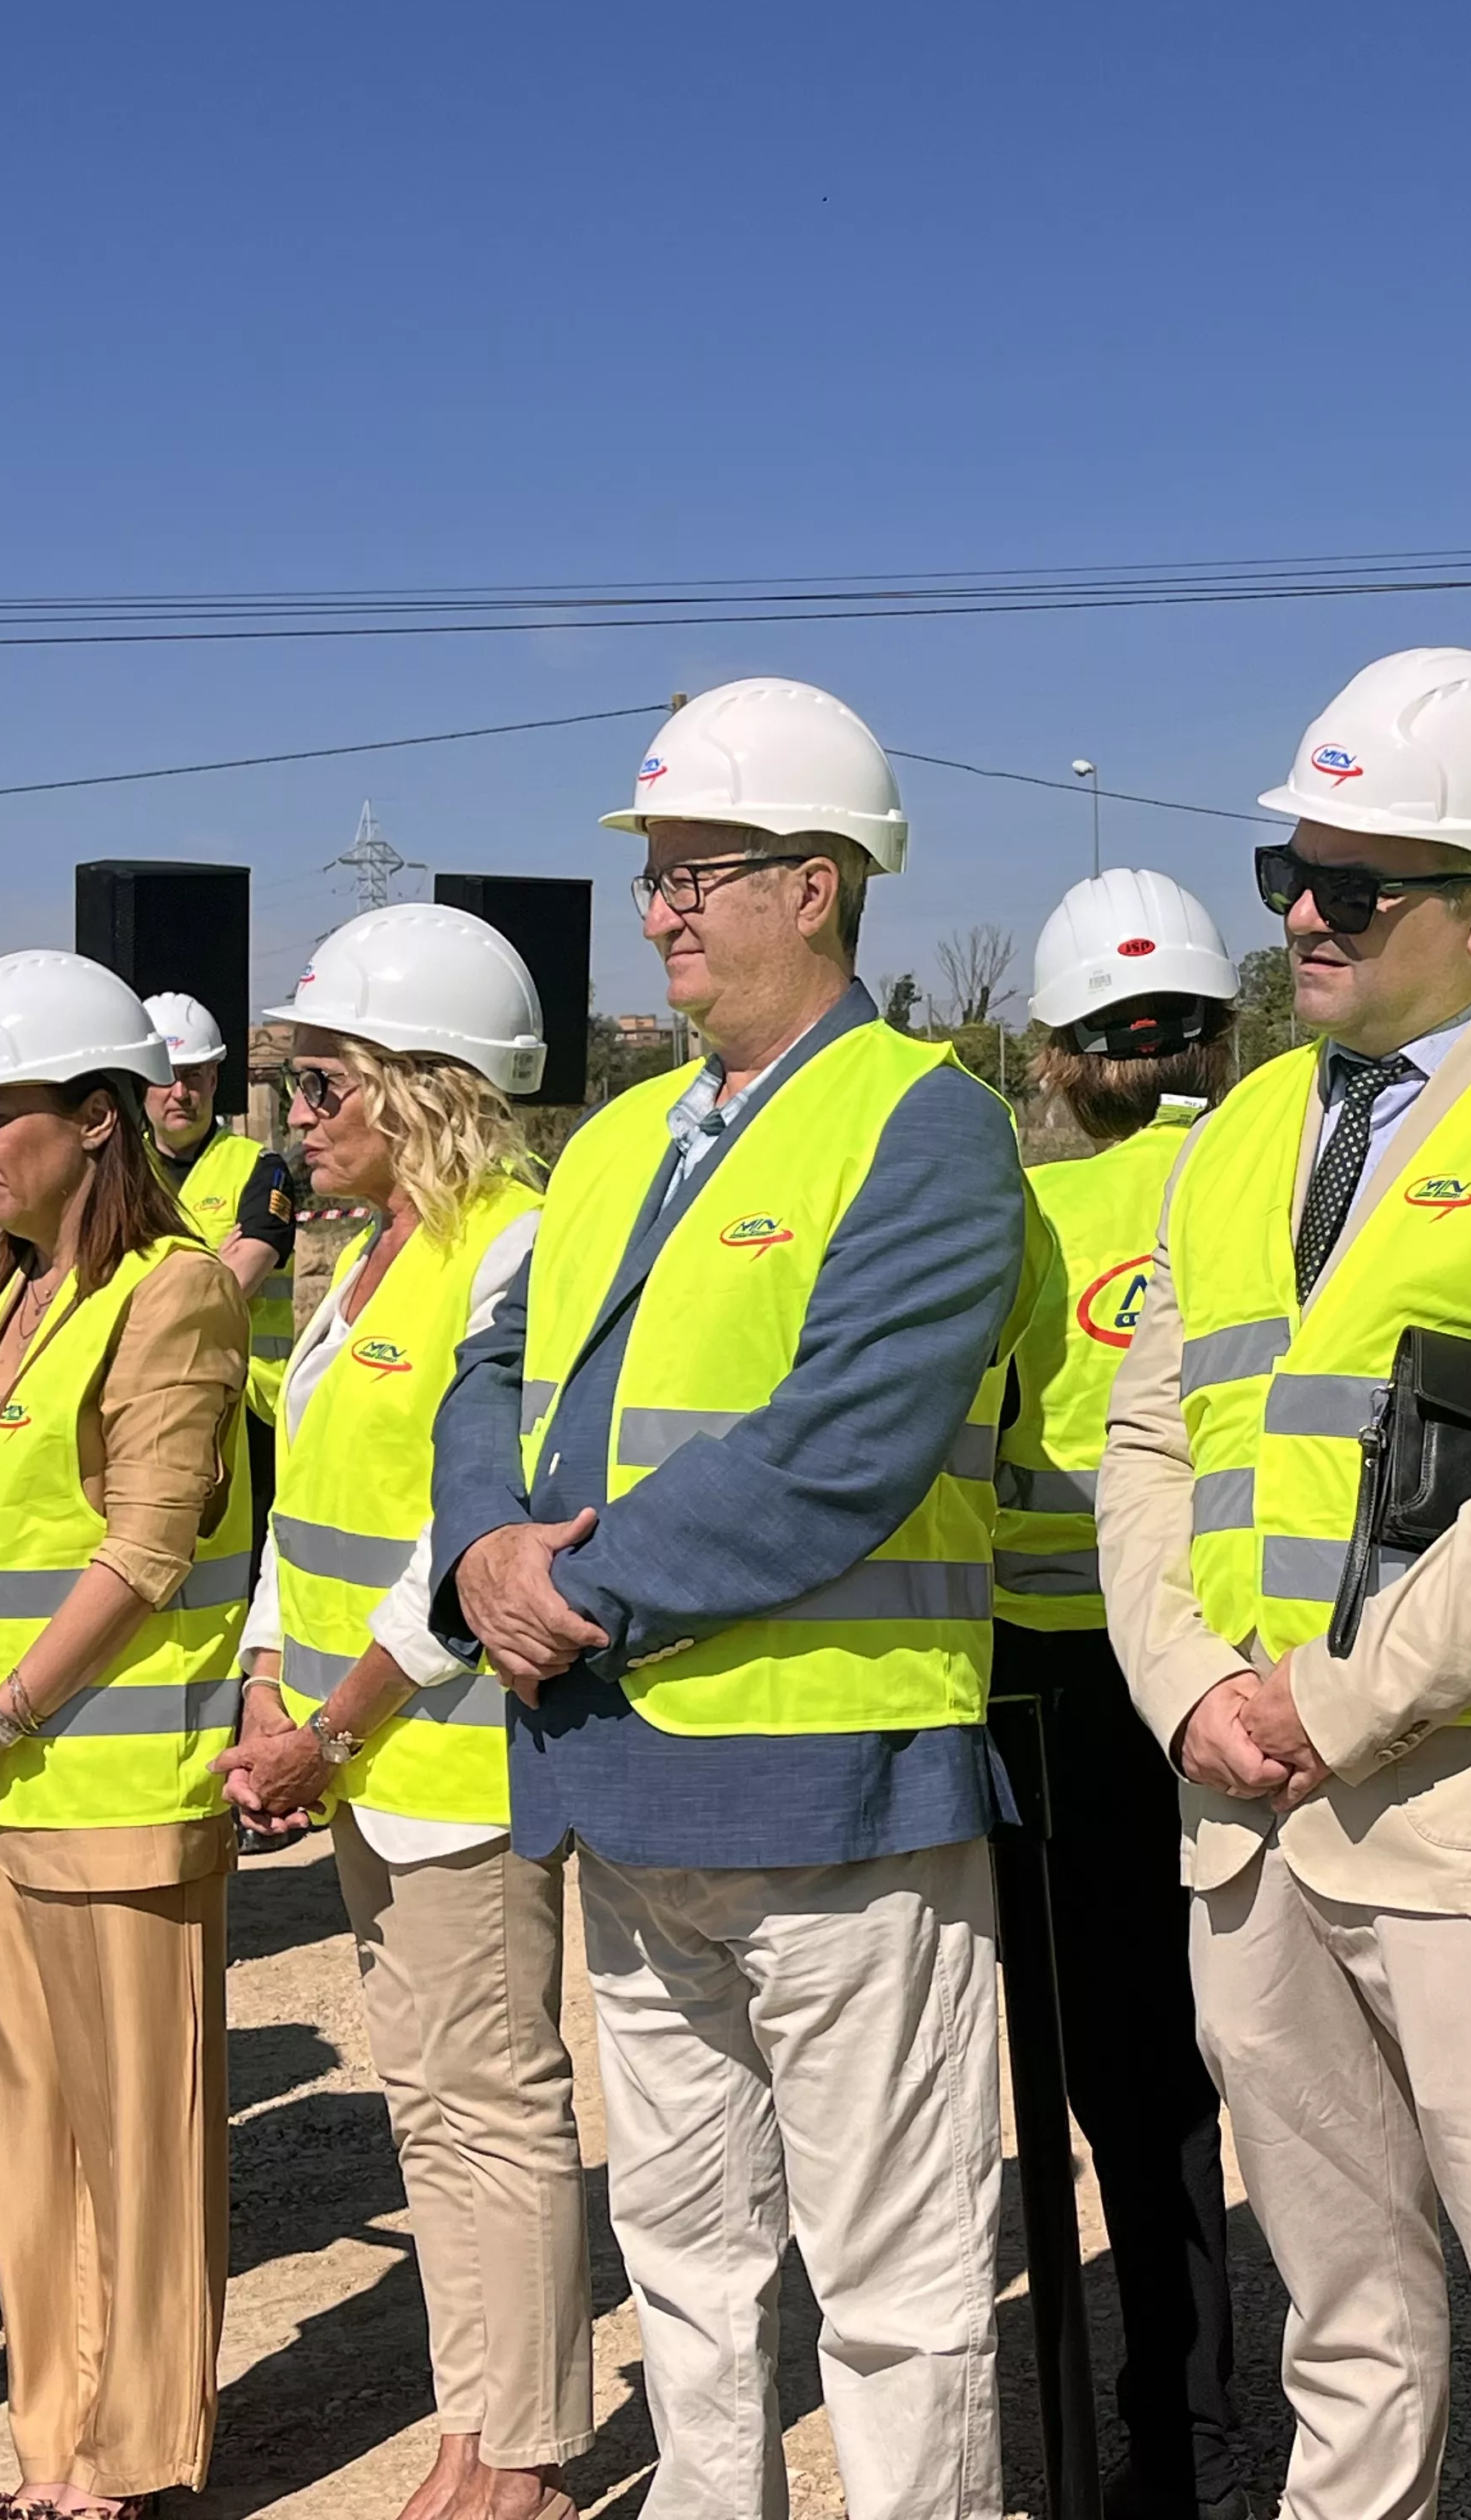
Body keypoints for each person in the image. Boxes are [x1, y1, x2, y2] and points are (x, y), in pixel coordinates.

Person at [1098, 647, 1471, 2520]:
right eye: (1294, 867)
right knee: (1342, 2322)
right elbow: (1145, 1451)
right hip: (1249, 1822)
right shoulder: (1234, 1143)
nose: (1302, 909)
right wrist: (1192, 1692)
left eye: (1354, 885)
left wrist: (1331, 1701)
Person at [430, 678, 1026, 2520]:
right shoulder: (614, 1139)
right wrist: (477, 1561)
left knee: (897, 2282)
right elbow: (489, 1369)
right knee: (682, 2259)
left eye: (706, 870)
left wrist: (564, 1589)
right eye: (660, 873)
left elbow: (839, 1450)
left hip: (836, 1792)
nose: (666, 905)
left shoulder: (925, 1125)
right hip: (626, 1787)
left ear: (821, 890)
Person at [213, 906, 593, 2520]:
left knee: (493, 2097)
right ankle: (470, 2418)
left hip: (450, 1757)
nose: (294, 1116)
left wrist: (335, 1717)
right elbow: (308, 1510)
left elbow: (468, 1534)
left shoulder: (513, 1241)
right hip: (358, 1753)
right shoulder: (360, 1255)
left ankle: (523, 2451)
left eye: (324, 1083)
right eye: (294, 1085)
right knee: (425, 2101)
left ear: (430, 1082)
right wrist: (260, 1681)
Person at [0, 951, 253, 2518]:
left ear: (98, 1119)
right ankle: (50, 2444)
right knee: (24, 2134)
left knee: (141, 2146)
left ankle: (136, 2455)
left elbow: (149, 1542)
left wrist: (3, 1705)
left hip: (109, 1787)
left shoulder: (174, 1295)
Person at [996, 869, 1245, 2520]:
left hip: (1037, 1685)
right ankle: (1192, 2399)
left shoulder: (1018, 1210)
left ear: (1061, 1056)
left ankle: (1071, 2421)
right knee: (1183, 2068)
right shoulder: (1265, 1189)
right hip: (1215, 1673)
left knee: (1064, 2067)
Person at [142, 990, 296, 1510]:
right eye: (166, 1076)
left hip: (249, 1406)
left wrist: (144, 1280)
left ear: (214, 1079)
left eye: (194, 1075)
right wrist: (212, 1258)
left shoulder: (261, 1169)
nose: (180, 1092)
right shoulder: (118, 1172)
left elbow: (238, 1279)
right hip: (148, 1396)